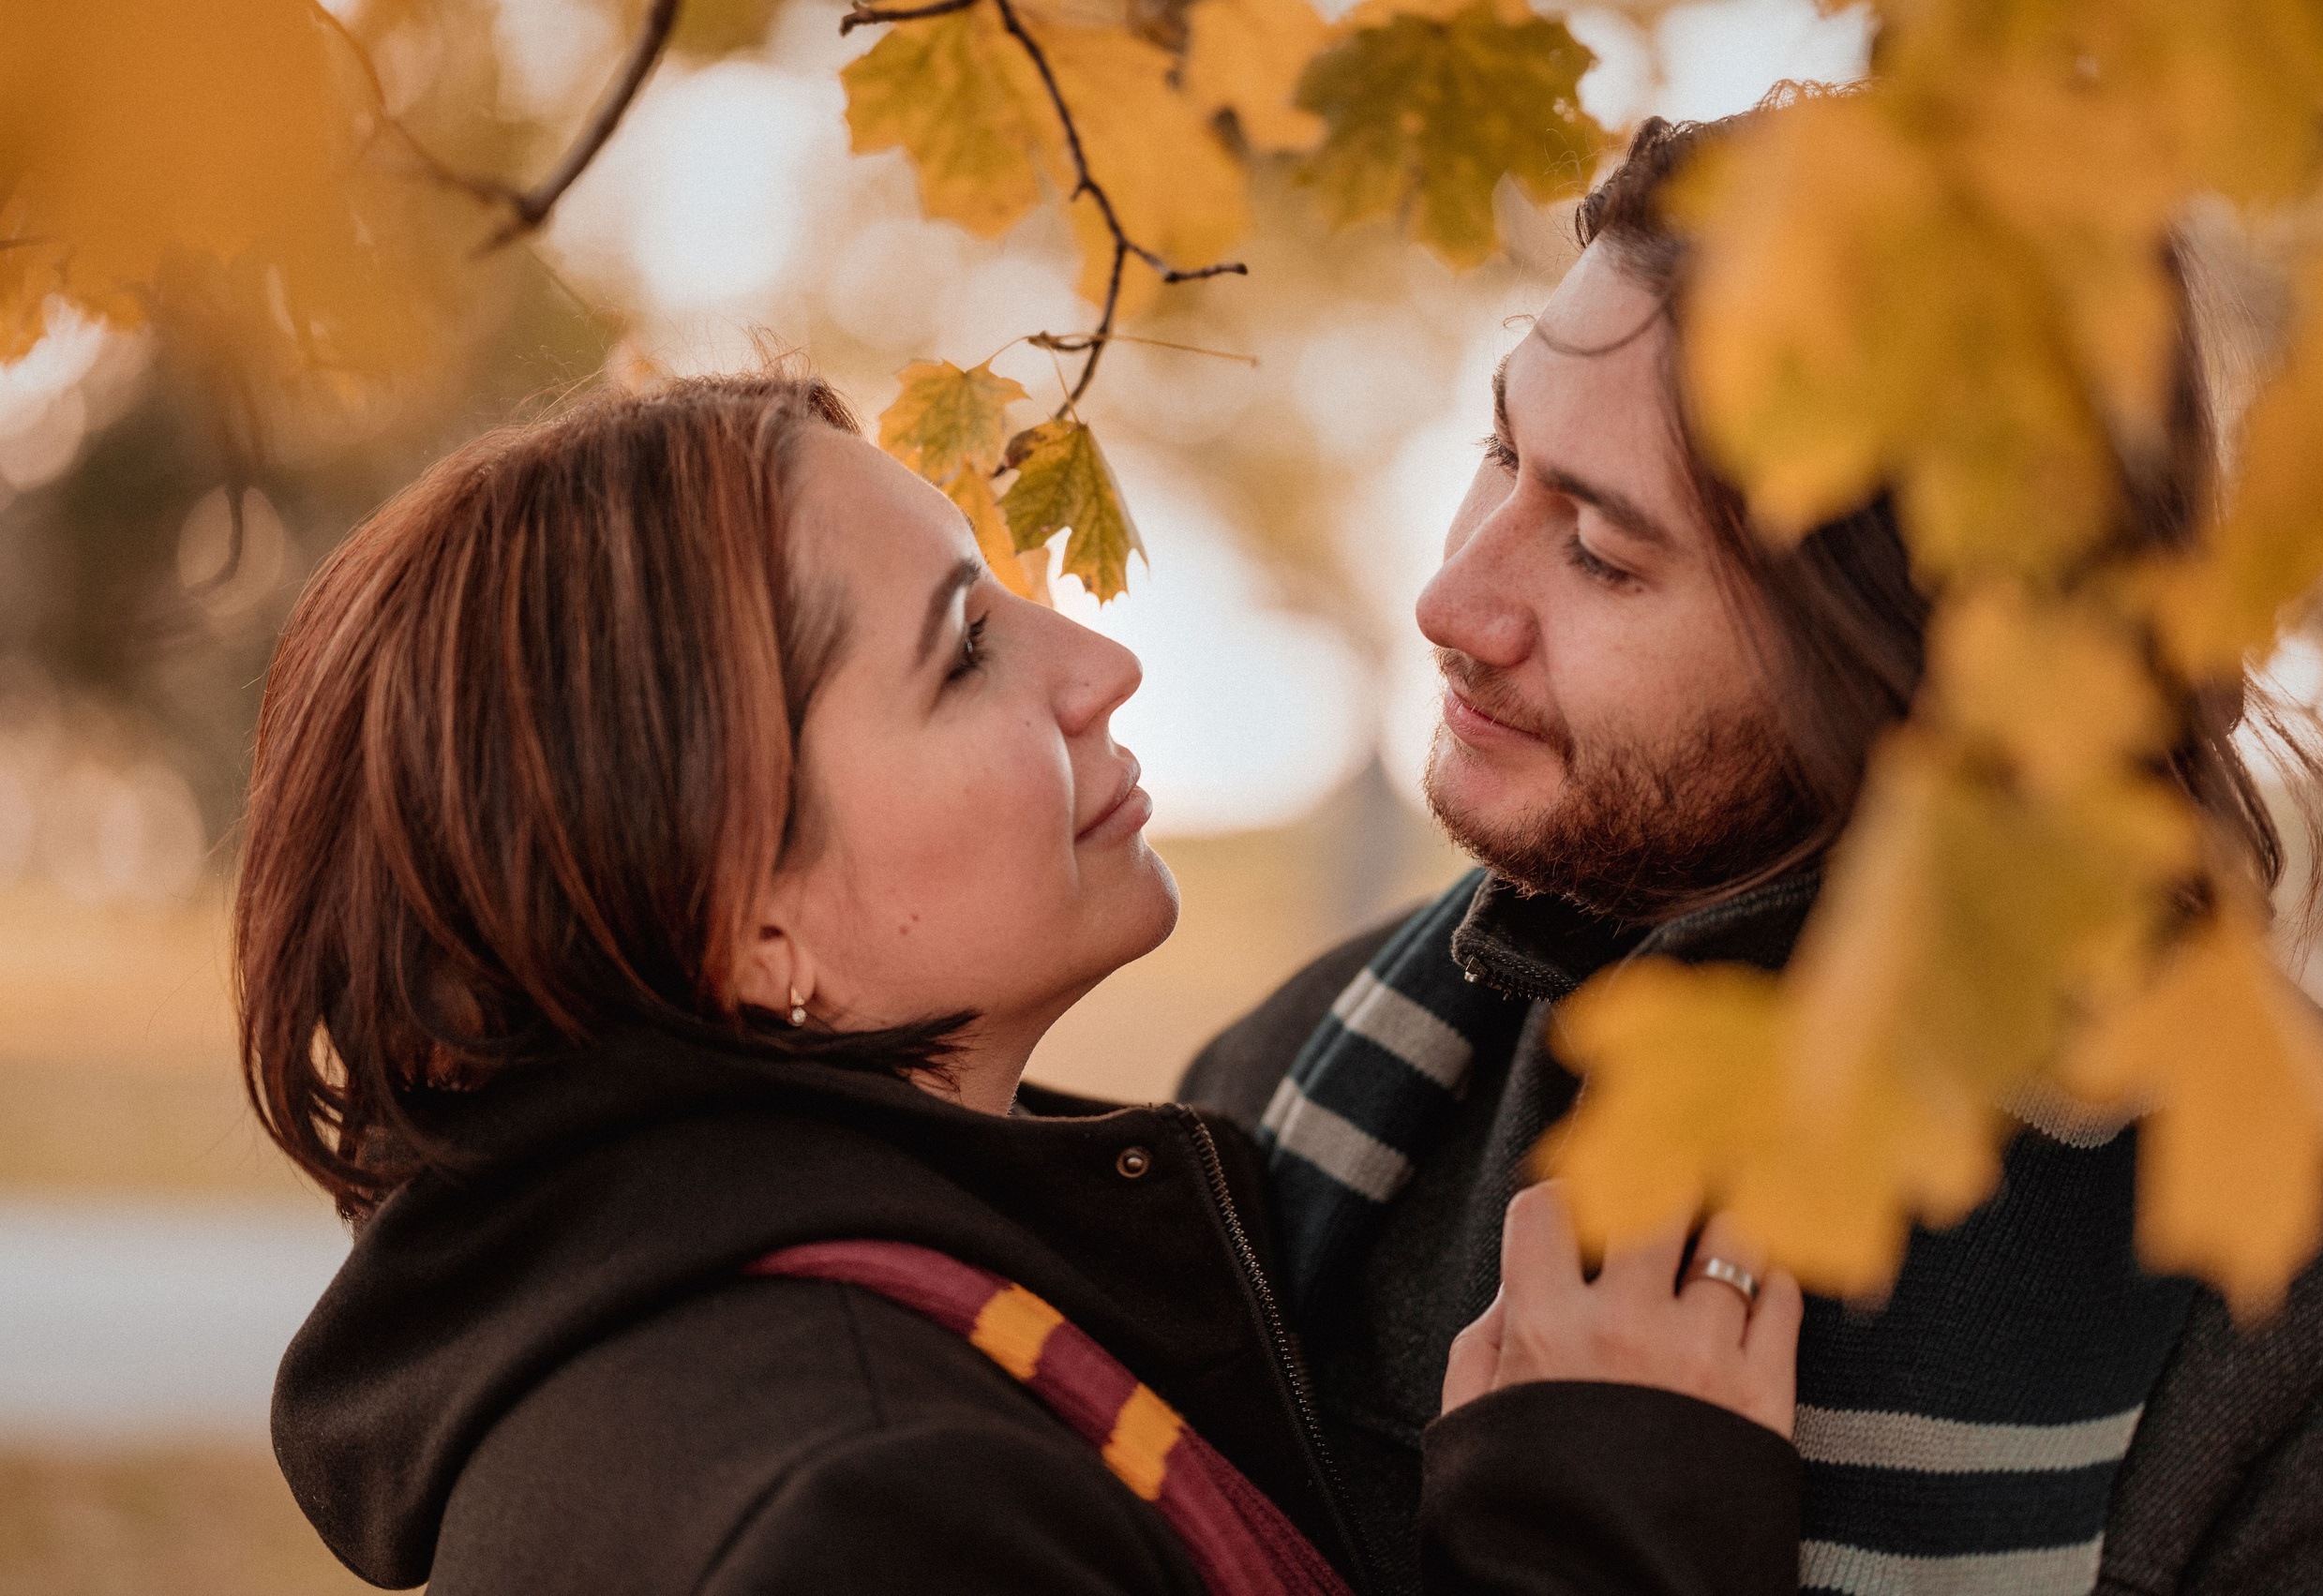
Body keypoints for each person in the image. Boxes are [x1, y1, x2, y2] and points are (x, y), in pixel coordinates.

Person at [244, 370, 1811, 1596]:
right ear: (746, 927)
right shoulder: (868, 1518)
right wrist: (1607, 1533)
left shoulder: (795, 1342)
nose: (1096, 663)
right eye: (961, 651)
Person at [1182, 110, 2323, 1596]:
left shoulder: (2319, 1289)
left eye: (1603, 552)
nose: (1454, 599)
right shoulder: (1307, 1084)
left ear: (1907, 656)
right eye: (1504, 450)